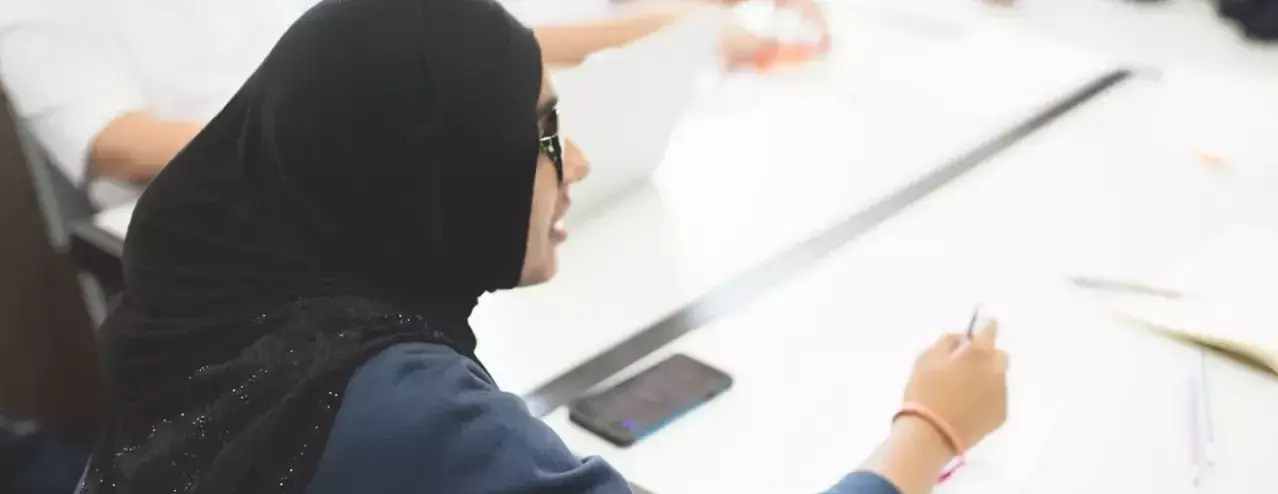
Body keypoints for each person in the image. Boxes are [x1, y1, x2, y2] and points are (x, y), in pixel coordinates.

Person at [0, 0, 1007, 494]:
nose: (572, 164)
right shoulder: (411, 428)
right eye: (538, 134)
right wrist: (928, 425)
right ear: (429, 172)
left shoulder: (225, 320)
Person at [0, 0, 824, 210]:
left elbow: (467, 34)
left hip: (388, 183)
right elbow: (116, 140)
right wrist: (348, 132)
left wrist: (697, 23)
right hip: (224, 225)